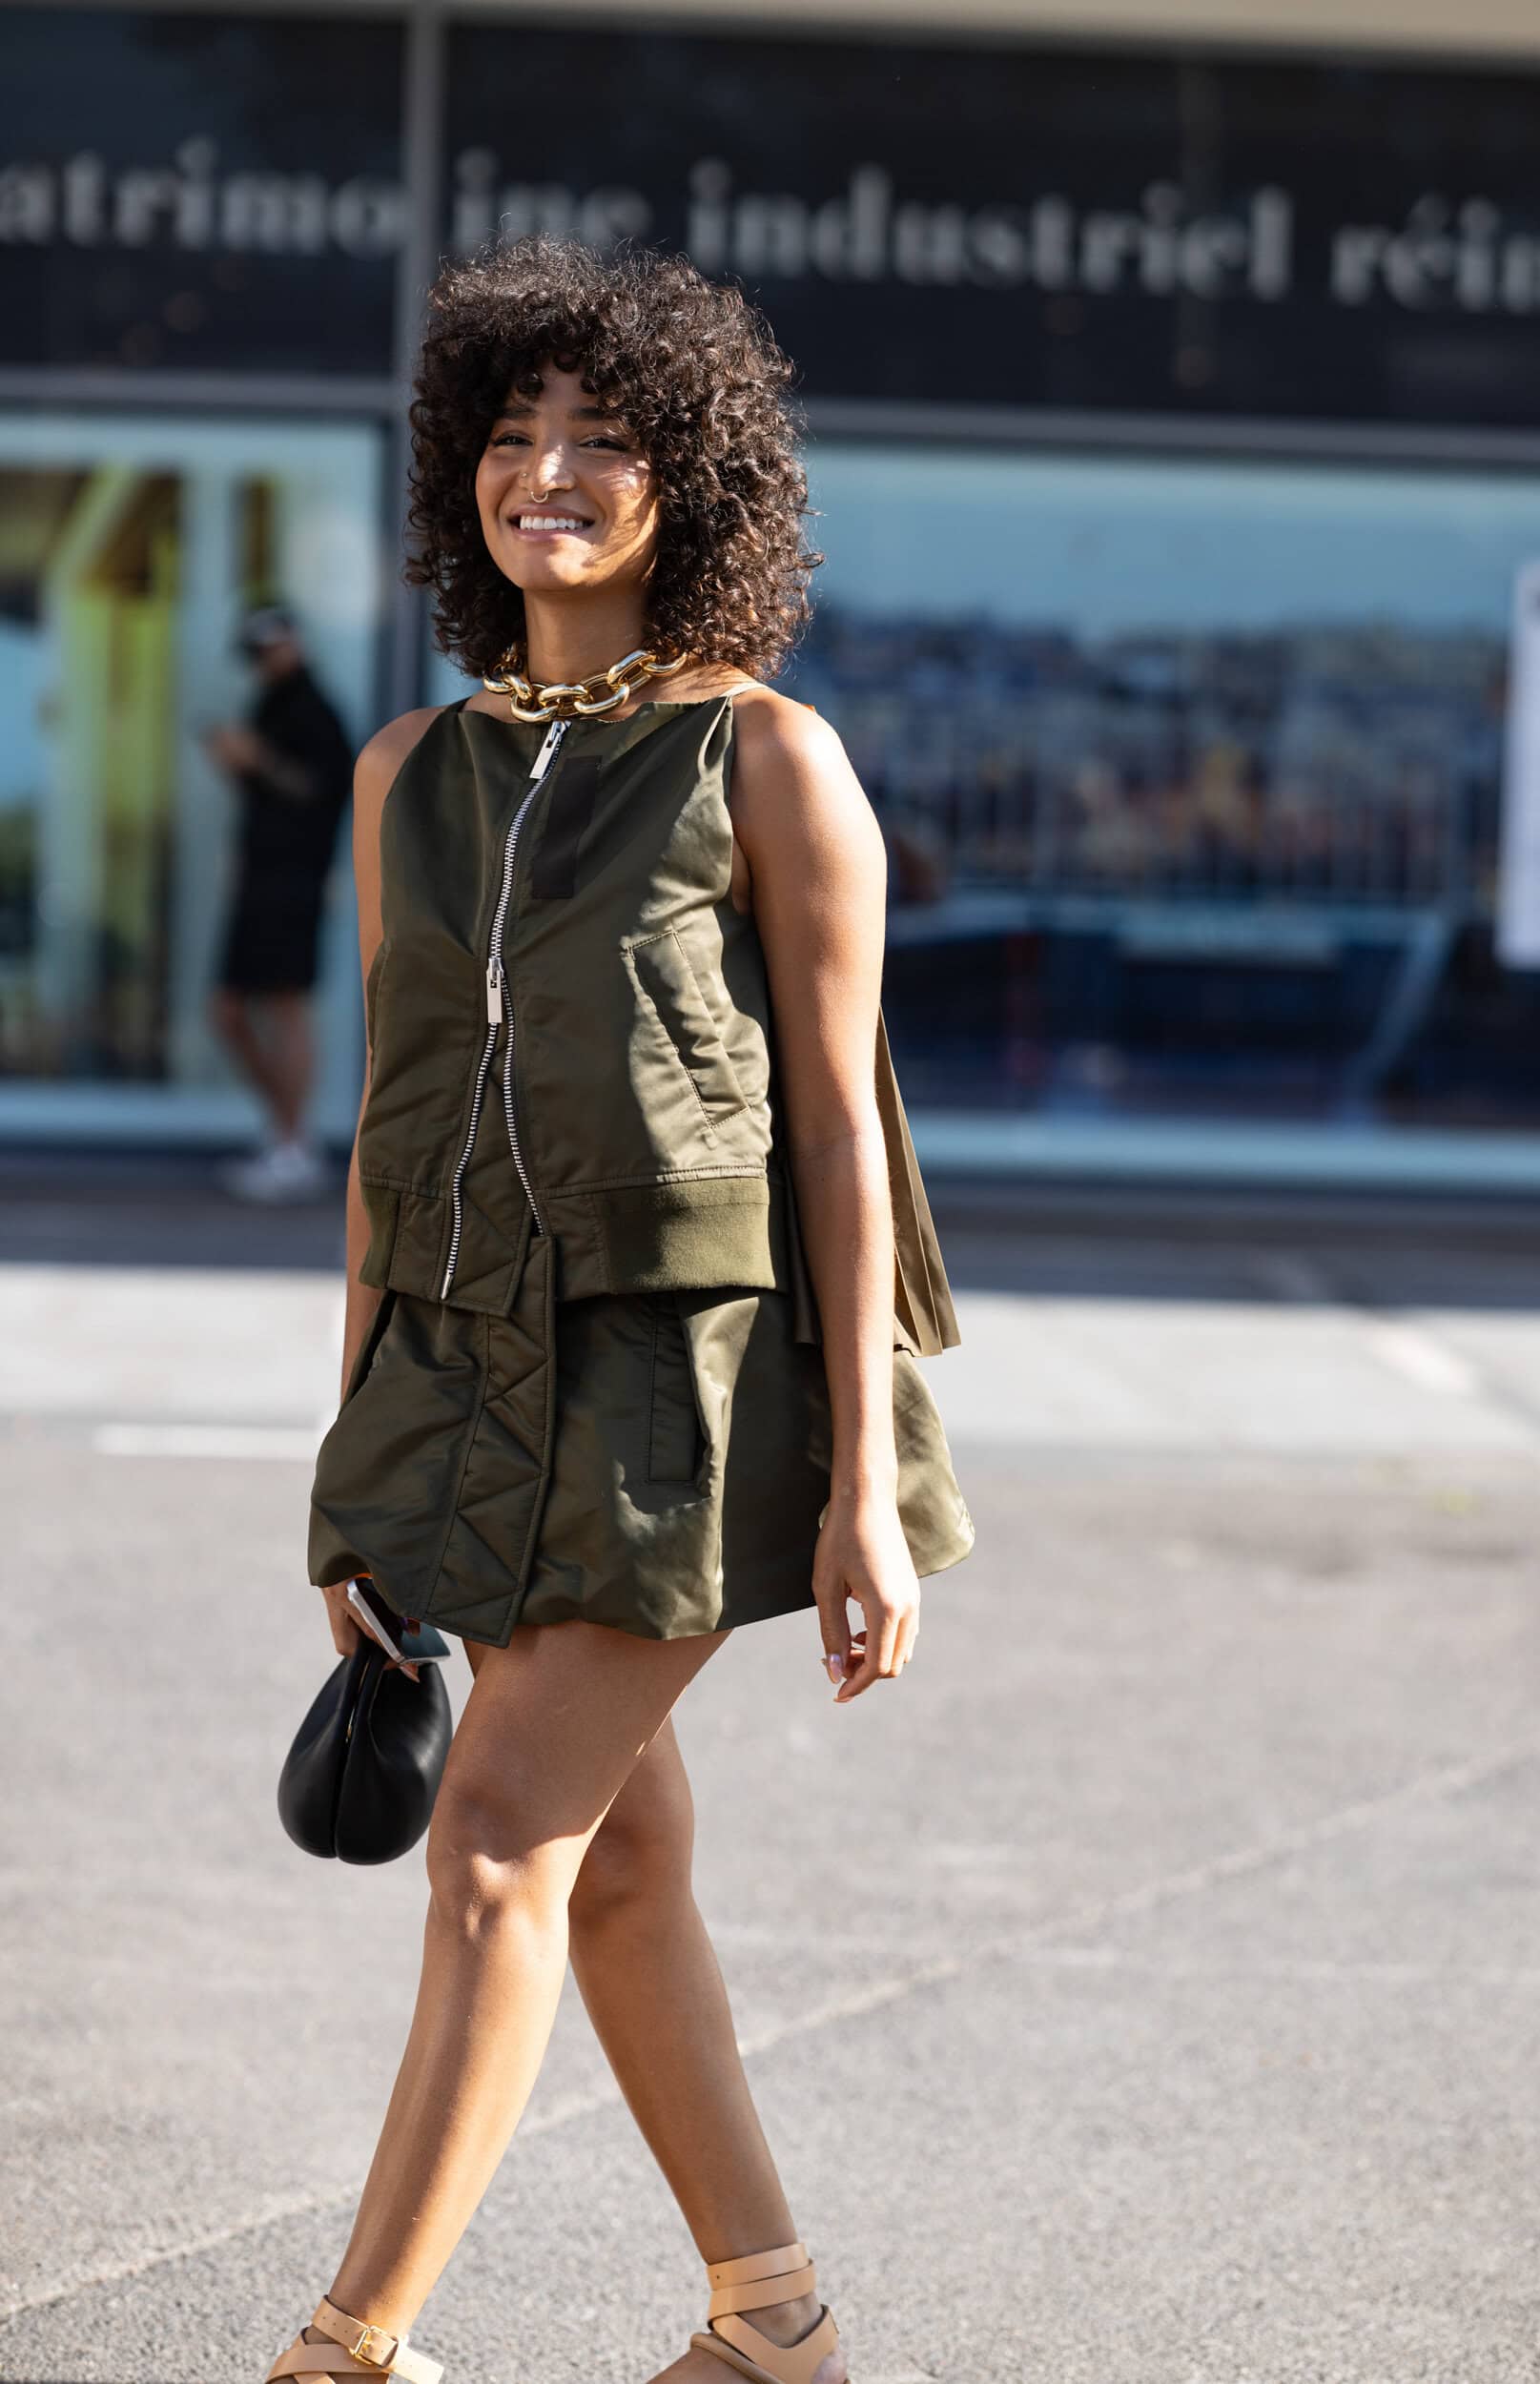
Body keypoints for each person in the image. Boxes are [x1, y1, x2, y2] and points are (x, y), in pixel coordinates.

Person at [266, 234, 975, 2384]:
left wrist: (862, 1492)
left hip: (696, 1387)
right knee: (624, 1857)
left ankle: (348, 2347)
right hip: (460, 1372)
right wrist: (357, 1457)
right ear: (457, 476)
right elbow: (390, 1126)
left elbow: (840, 1136)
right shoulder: (408, 770)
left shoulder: (767, 756)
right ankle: (772, 2319)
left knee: (496, 1841)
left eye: (601, 440)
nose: (547, 475)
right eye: (512, 434)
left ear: (695, 487)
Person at [207, 603, 355, 1202]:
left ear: (293, 641)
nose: (265, 659)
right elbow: (269, 796)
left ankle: (294, 1145)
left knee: (287, 1007)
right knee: (230, 1013)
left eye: (271, 646)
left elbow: (321, 793)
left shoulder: (317, 712)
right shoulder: (267, 703)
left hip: (295, 884)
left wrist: (257, 759)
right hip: (260, 881)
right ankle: (288, 1133)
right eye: (257, 651)